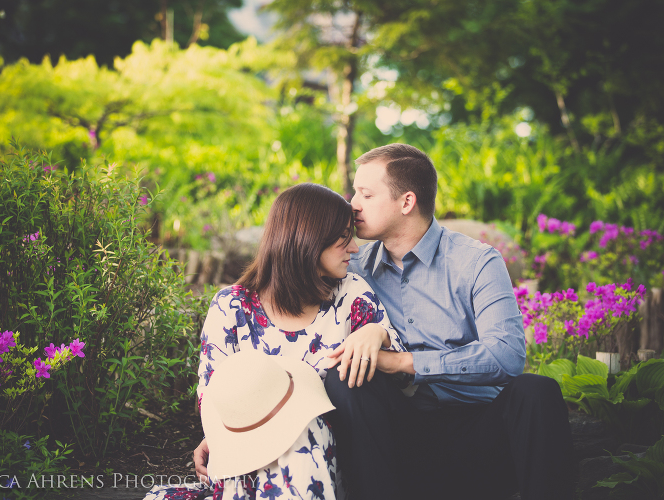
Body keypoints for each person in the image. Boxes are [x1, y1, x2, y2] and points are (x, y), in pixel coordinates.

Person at [324, 143, 575, 500]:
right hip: (398, 437)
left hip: (480, 429)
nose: (353, 204)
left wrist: (404, 362)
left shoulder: (476, 262)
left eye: (365, 193)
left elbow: (506, 355)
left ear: (406, 202)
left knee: (537, 392)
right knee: (345, 379)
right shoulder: (355, 268)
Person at [143, 182, 405, 500]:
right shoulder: (231, 307)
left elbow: (400, 379)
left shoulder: (351, 293)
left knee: (303, 433)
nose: (354, 248)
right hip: (247, 449)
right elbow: (212, 395)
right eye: (343, 238)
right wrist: (218, 435)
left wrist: (379, 333)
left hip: (324, 452)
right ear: (308, 240)